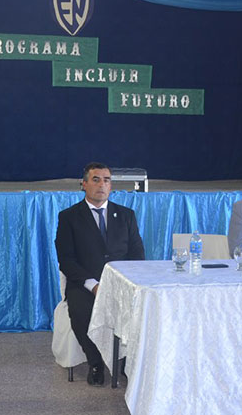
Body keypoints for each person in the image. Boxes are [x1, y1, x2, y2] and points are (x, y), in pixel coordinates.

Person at [54, 162, 145, 386]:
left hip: (122, 283)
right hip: (85, 284)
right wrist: (93, 285)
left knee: (140, 308)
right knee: (80, 310)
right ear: (83, 184)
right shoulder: (69, 217)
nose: (102, 184)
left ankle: (123, 362)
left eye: (106, 180)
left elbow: (137, 255)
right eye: (96, 179)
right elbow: (66, 259)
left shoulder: (126, 215)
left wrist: (126, 283)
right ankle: (95, 362)